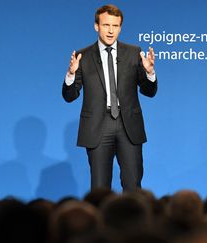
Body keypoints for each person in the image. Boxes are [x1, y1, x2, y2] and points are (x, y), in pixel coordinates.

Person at [62, 4, 157, 191]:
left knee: (133, 185)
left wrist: (150, 73)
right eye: (106, 25)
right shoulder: (83, 56)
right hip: (98, 125)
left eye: (116, 26)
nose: (111, 31)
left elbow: (149, 91)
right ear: (96, 26)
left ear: (120, 27)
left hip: (128, 125)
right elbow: (69, 96)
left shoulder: (133, 53)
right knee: (99, 188)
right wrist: (71, 74)